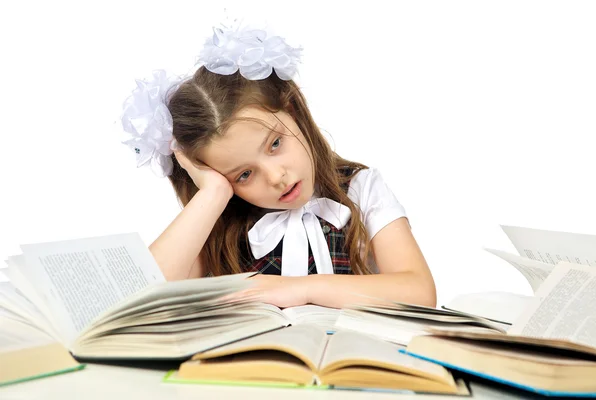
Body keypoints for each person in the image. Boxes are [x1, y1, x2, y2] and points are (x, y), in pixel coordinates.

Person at [120, 24, 436, 309]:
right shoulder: (223, 219)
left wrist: (299, 290)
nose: (275, 178)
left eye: (274, 144)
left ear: (294, 110)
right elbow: (141, 302)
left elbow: (420, 292)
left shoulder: (361, 189)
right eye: (244, 174)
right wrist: (212, 195)